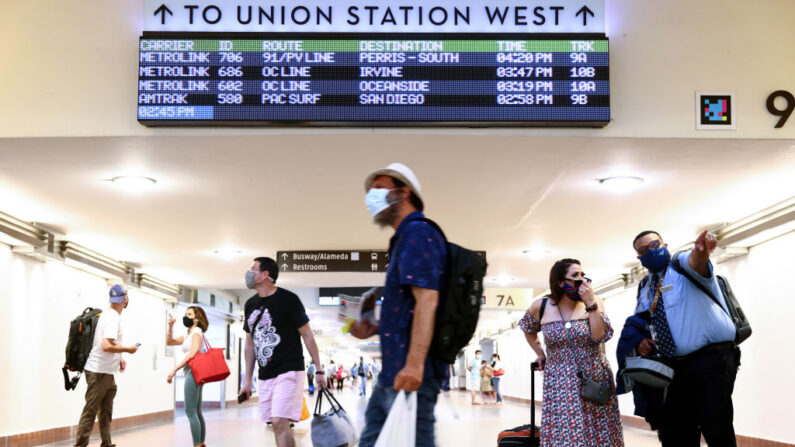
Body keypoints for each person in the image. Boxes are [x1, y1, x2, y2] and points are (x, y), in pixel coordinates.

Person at [351, 163, 447, 447]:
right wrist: (376, 328)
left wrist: (415, 365)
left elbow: (428, 300)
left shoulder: (418, 232)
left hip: (412, 375)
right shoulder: (403, 238)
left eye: (379, 188)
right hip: (391, 374)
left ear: (403, 192)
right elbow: (410, 311)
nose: (372, 196)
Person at [629, 230, 738, 446]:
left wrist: (701, 252)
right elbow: (644, 323)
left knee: (717, 428)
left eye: (654, 245)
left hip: (708, 362)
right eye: (643, 251)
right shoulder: (645, 287)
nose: (650, 252)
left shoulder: (681, 265)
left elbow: (696, 262)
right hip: (672, 368)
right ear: (638, 258)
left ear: (665, 244)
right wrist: (641, 341)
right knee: (675, 432)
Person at [519, 259, 624, 447]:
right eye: (575, 276)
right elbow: (527, 328)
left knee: (599, 428)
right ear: (560, 282)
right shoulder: (541, 306)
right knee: (562, 431)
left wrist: (591, 303)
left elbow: (600, 336)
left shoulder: (594, 302)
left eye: (583, 275)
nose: (582, 279)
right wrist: (540, 353)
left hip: (594, 376)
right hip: (558, 378)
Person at [238, 257, 326, 447]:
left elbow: (308, 336)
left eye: (253, 269)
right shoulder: (250, 304)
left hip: (289, 369)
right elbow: (249, 344)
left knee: (279, 420)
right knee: (275, 424)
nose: (249, 273)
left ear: (265, 275)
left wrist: (319, 369)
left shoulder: (288, 299)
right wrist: (247, 381)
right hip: (265, 374)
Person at [74, 284, 138, 447]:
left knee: (105, 413)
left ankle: (106, 443)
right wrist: (128, 349)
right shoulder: (113, 318)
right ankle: (80, 445)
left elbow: (108, 345)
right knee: (91, 411)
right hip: (98, 372)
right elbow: (106, 345)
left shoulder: (110, 315)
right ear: (125, 299)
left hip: (107, 372)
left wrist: (120, 357)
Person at [165, 306, 210, 447]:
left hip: (193, 371)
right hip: (193, 371)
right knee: (196, 410)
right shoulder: (189, 333)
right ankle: (201, 443)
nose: (186, 316)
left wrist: (175, 369)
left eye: (189, 314)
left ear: (196, 318)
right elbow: (169, 342)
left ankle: (197, 444)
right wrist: (171, 326)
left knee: (190, 410)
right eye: (185, 314)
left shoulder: (196, 332)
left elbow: (193, 353)